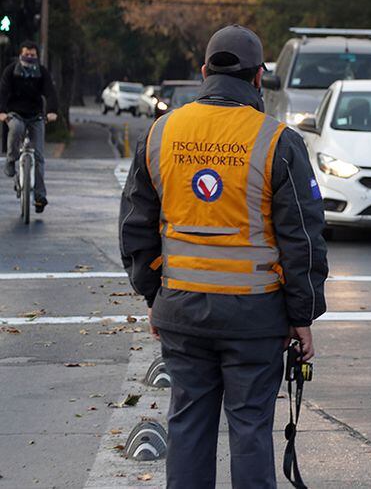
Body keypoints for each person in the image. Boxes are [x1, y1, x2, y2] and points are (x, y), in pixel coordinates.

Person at [119, 24, 328, 489]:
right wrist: (303, 313)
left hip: (183, 310)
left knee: (188, 424)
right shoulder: (278, 141)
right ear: (258, 79)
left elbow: (136, 226)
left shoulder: (160, 133)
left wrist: (154, 294)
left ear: (203, 72)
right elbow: (303, 237)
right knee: (251, 427)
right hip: (255, 317)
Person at [0, 41, 59, 212]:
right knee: (16, 129)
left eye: (33, 55)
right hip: (15, 113)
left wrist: (52, 111)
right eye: (27, 53)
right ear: (21, 54)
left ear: (37, 56)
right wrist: (2, 111)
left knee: (39, 156)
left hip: (36, 115)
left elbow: (50, 91)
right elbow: (3, 91)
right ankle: (11, 160)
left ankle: (40, 196)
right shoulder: (11, 71)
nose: (30, 57)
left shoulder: (42, 72)